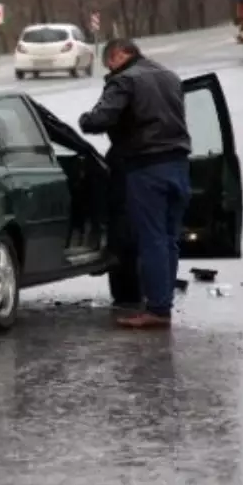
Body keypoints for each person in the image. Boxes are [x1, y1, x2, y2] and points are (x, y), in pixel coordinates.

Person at [79, 38, 191, 329]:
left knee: (151, 239)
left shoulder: (125, 80)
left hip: (146, 167)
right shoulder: (170, 76)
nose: (110, 70)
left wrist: (85, 119)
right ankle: (162, 303)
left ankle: (156, 310)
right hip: (179, 164)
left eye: (109, 64)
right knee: (169, 239)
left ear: (117, 55)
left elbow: (100, 119)